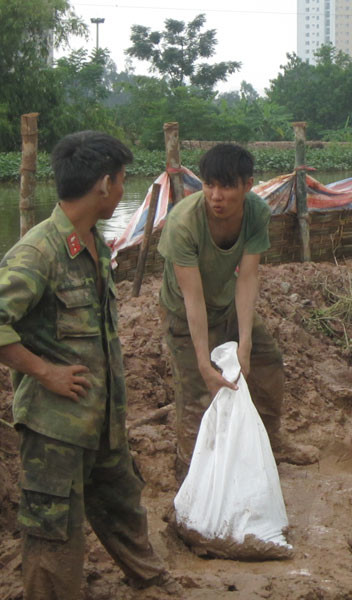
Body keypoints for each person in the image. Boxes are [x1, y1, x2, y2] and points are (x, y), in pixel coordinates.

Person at [0, 131, 179, 597]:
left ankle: (151, 583)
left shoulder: (92, 244)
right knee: (53, 533)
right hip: (54, 432)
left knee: (122, 505)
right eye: (121, 181)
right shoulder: (40, 252)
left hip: (101, 421)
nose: (122, 190)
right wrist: (44, 371)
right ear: (104, 184)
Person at [158, 143, 316, 478]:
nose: (216, 195)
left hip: (228, 303)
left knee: (267, 360)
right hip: (186, 314)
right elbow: (193, 298)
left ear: (247, 185)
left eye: (227, 186)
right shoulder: (183, 223)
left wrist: (245, 343)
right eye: (208, 184)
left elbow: (247, 279)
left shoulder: (256, 213)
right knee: (198, 394)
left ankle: (272, 442)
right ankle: (189, 473)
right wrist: (204, 362)